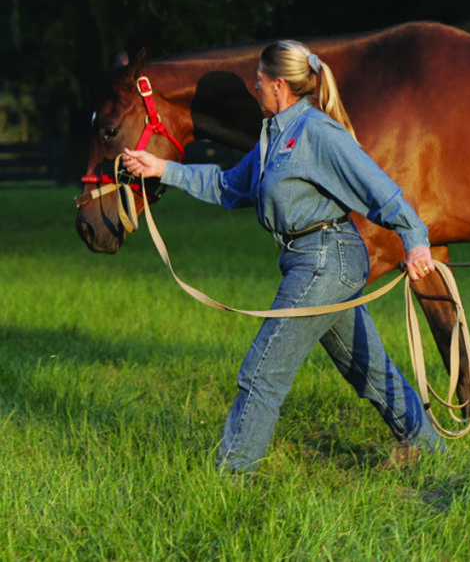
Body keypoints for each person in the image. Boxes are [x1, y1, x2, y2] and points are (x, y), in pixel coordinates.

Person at [122, 39, 444, 471]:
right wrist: (161, 169)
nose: (254, 89)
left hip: (327, 261)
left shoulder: (316, 132)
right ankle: (430, 449)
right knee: (366, 368)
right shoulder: (273, 137)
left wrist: (415, 239)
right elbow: (230, 187)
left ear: (279, 85)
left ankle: (231, 478)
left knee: (262, 371)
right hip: (312, 262)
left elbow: (379, 189)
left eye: (258, 81)